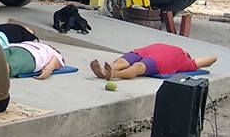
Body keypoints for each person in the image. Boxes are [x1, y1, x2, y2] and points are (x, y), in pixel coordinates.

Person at [89, 43, 217, 80]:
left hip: (158, 61)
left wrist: (187, 56)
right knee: (123, 62)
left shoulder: (186, 62)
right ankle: (104, 70)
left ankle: (114, 74)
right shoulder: (172, 48)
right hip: (145, 51)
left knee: (138, 67)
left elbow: (212, 59)